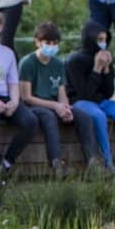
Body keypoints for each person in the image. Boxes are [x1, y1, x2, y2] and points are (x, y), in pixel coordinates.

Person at [0, 9, 58, 172]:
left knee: (30, 121)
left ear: (0, 27)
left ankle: (7, 161)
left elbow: (13, 83)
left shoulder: (7, 53)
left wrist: (14, 102)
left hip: (5, 97)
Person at [62, 25, 115, 173]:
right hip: (80, 101)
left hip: (101, 101)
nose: (103, 43)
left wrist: (107, 70)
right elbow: (84, 94)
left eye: (105, 39)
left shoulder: (104, 58)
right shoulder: (75, 61)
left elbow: (108, 92)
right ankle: (107, 164)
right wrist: (96, 69)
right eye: (99, 39)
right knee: (98, 116)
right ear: (89, 39)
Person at [19, 20, 86, 172]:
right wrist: (56, 106)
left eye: (55, 43)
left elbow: (62, 93)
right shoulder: (27, 63)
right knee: (48, 116)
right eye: (47, 42)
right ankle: (56, 164)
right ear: (37, 42)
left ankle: (94, 161)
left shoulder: (58, 63)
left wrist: (66, 108)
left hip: (54, 104)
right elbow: (26, 97)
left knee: (83, 116)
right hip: (33, 106)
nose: (51, 46)